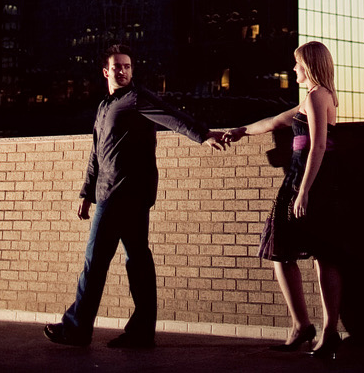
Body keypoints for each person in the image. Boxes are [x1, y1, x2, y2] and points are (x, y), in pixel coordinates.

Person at [44, 44, 226, 349]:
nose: (123, 71)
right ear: (106, 71)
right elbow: (96, 154)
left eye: (127, 66)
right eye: (117, 66)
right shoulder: (104, 108)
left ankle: (76, 329)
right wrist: (86, 193)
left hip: (124, 195)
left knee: (96, 262)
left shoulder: (136, 97)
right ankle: (141, 332)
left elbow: (171, 115)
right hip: (110, 193)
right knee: (137, 261)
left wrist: (202, 134)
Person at [226, 41, 343, 359]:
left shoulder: (318, 96)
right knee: (318, 255)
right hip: (312, 184)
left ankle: (313, 328)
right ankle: (313, 328)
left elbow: (318, 146)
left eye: (297, 64)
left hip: (304, 184)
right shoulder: (316, 97)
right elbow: (276, 121)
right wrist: (241, 131)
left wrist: (303, 190)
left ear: (310, 65)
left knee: (294, 252)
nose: (293, 70)